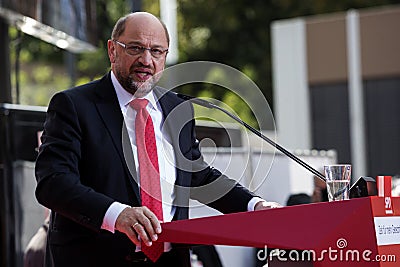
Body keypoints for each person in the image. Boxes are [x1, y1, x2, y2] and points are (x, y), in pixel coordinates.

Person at [35, 12, 279, 267]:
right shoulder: (74, 105)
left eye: (156, 51)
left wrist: (254, 206)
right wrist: (117, 214)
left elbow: (198, 176)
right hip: (96, 257)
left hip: (170, 258)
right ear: (112, 50)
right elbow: (54, 183)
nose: (146, 60)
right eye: (135, 48)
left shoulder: (177, 108)